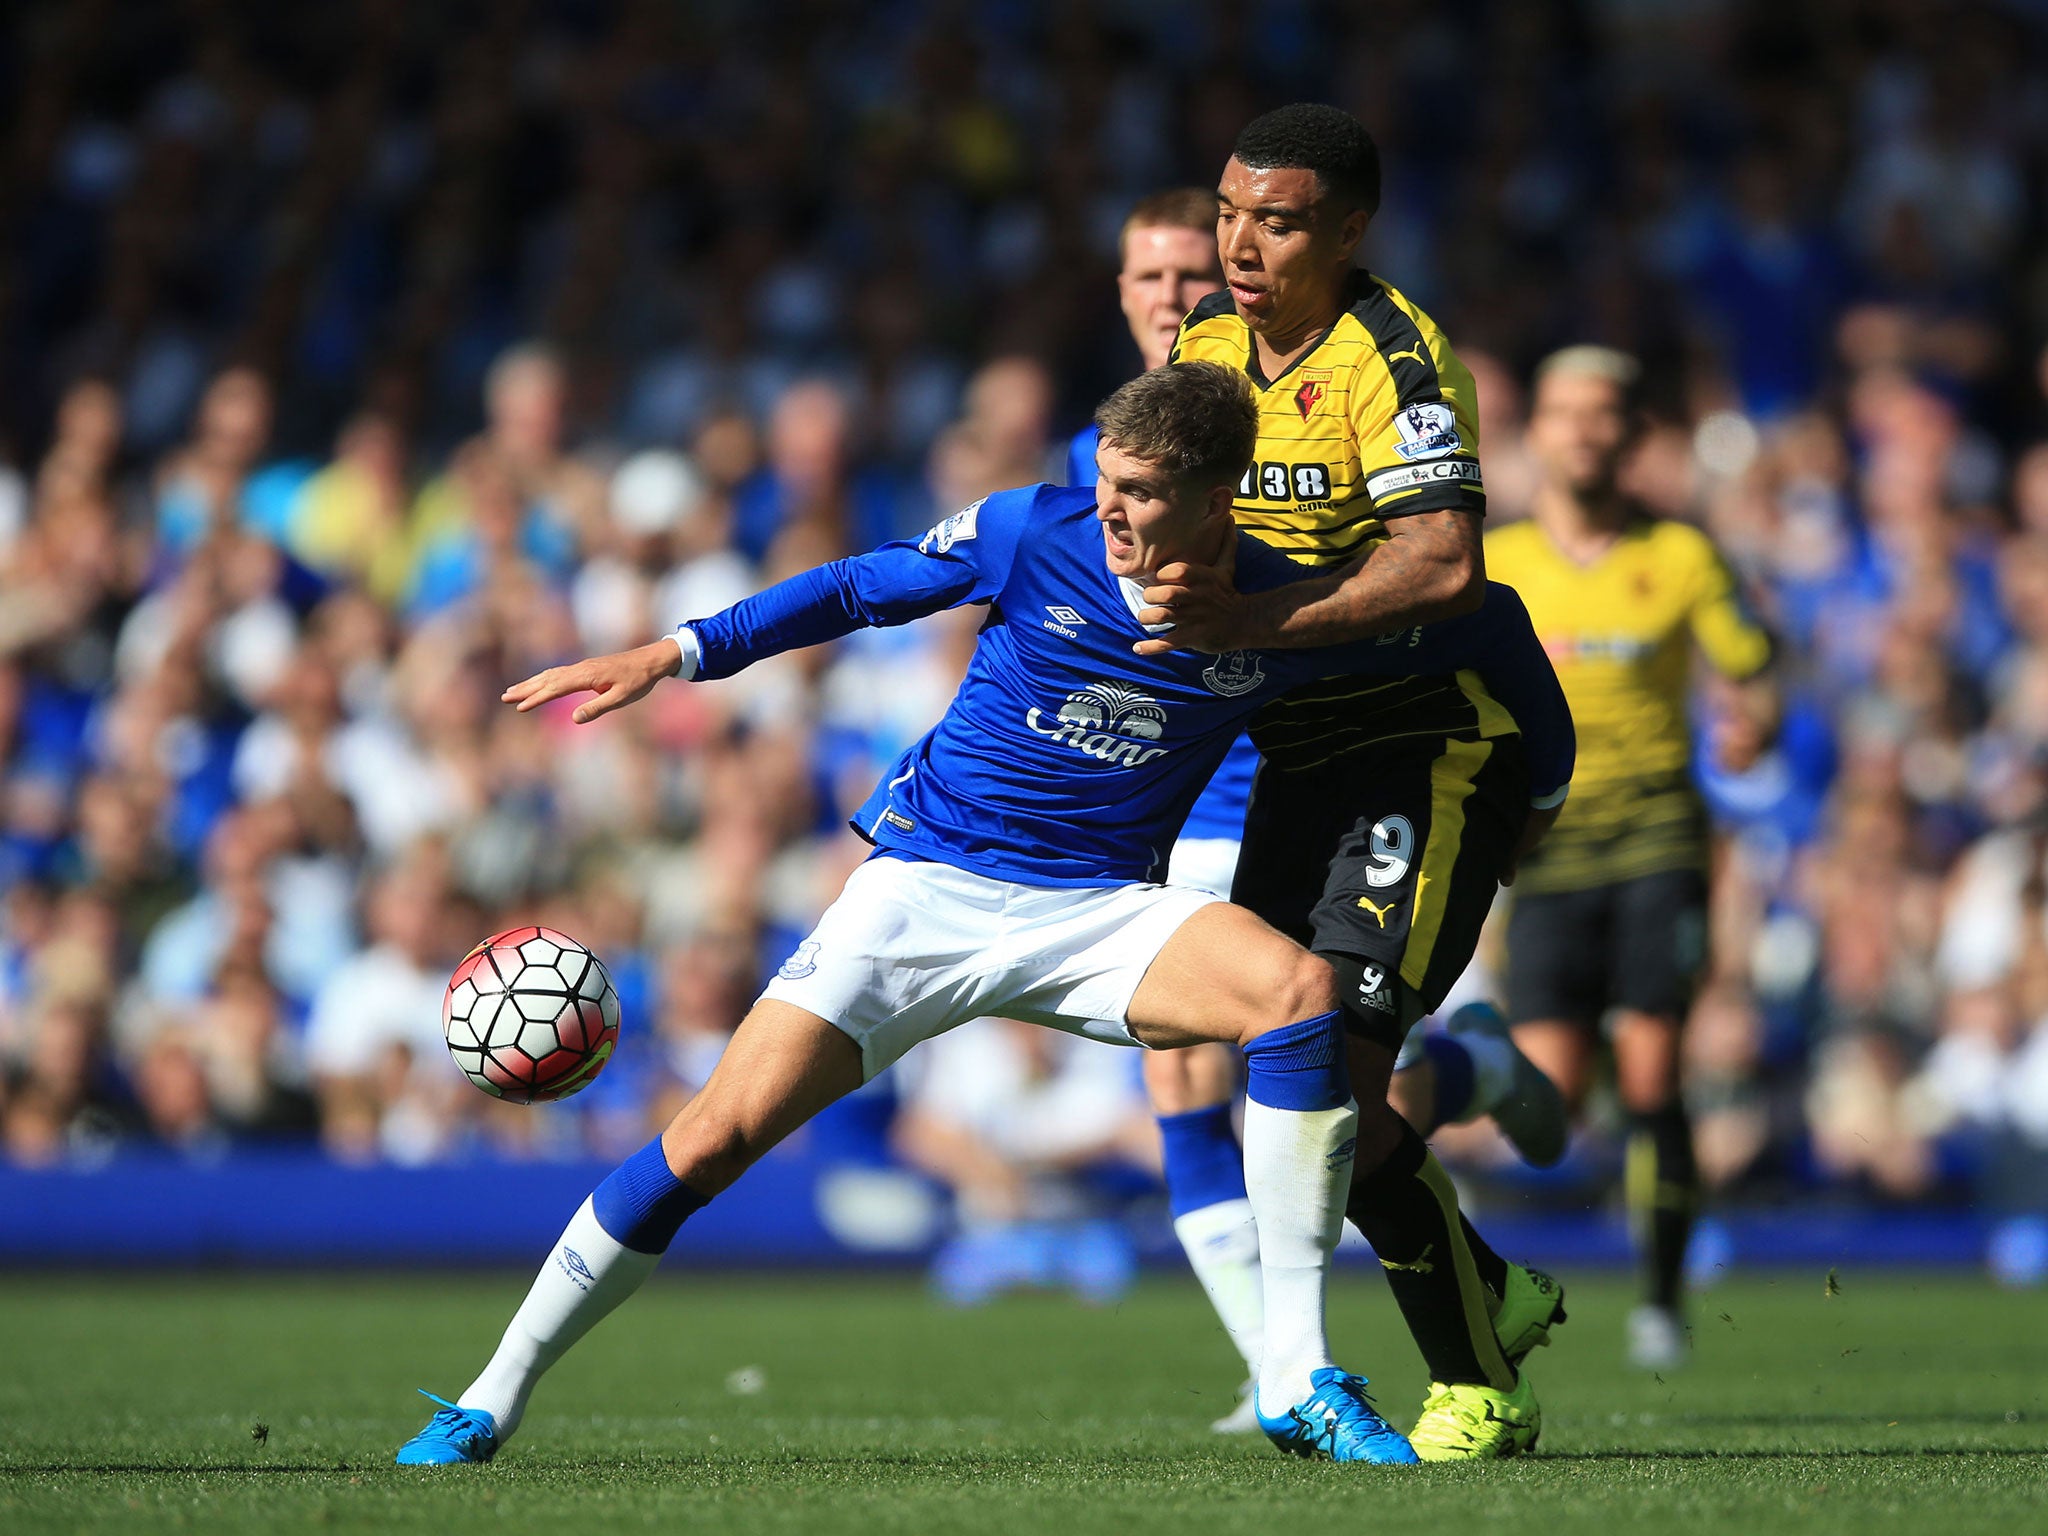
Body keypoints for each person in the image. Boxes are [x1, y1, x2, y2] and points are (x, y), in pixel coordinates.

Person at [394, 361, 1572, 1469]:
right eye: (1107, 484)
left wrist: (1549, 790)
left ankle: (1295, 1372)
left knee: (1299, 999)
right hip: (924, 891)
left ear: (1222, 498)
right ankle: (490, 1396)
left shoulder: (1287, 603)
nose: (1111, 513)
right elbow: (861, 586)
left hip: (1098, 911)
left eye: (1143, 495)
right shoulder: (1031, 528)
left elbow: (1487, 621)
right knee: (709, 1139)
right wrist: (676, 651)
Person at [1075, 187, 1564, 1435]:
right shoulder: (1163, 429)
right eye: (1160, 274)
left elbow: (1461, 582)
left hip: (1415, 752)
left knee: (1329, 1068)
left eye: (1249, 236)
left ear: (1337, 236)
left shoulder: (1383, 372)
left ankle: (1456, 1377)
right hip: (1266, 769)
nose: (1203, 278)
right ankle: (1388, 1321)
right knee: (1276, 1083)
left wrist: (1544, 781)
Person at [1485, 346, 1776, 1369]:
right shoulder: (1493, 560)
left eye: (1601, 413)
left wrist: (1751, 725)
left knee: (1654, 1070)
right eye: (1561, 412)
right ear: (1536, 434)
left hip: (1656, 836)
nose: (1581, 431)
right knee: (1546, 1112)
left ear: (1633, 435)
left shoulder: (1683, 557)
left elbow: (1753, 673)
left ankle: (1659, 1298)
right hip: (1544, 846)